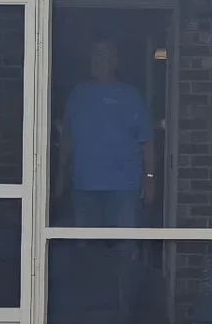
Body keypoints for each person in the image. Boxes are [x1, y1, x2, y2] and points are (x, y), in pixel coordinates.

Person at [58, 40, 156, 228]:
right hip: (83, 186)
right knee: (86, 248)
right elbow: (67, 138)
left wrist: (150, 178)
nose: (99, 61)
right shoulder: (78, 94)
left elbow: (147, 142)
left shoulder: (130, 96)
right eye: (96, 56)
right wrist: (60, 177)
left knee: (123, 248)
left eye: (105, 56)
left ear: (116, 62)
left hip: (123, 188)